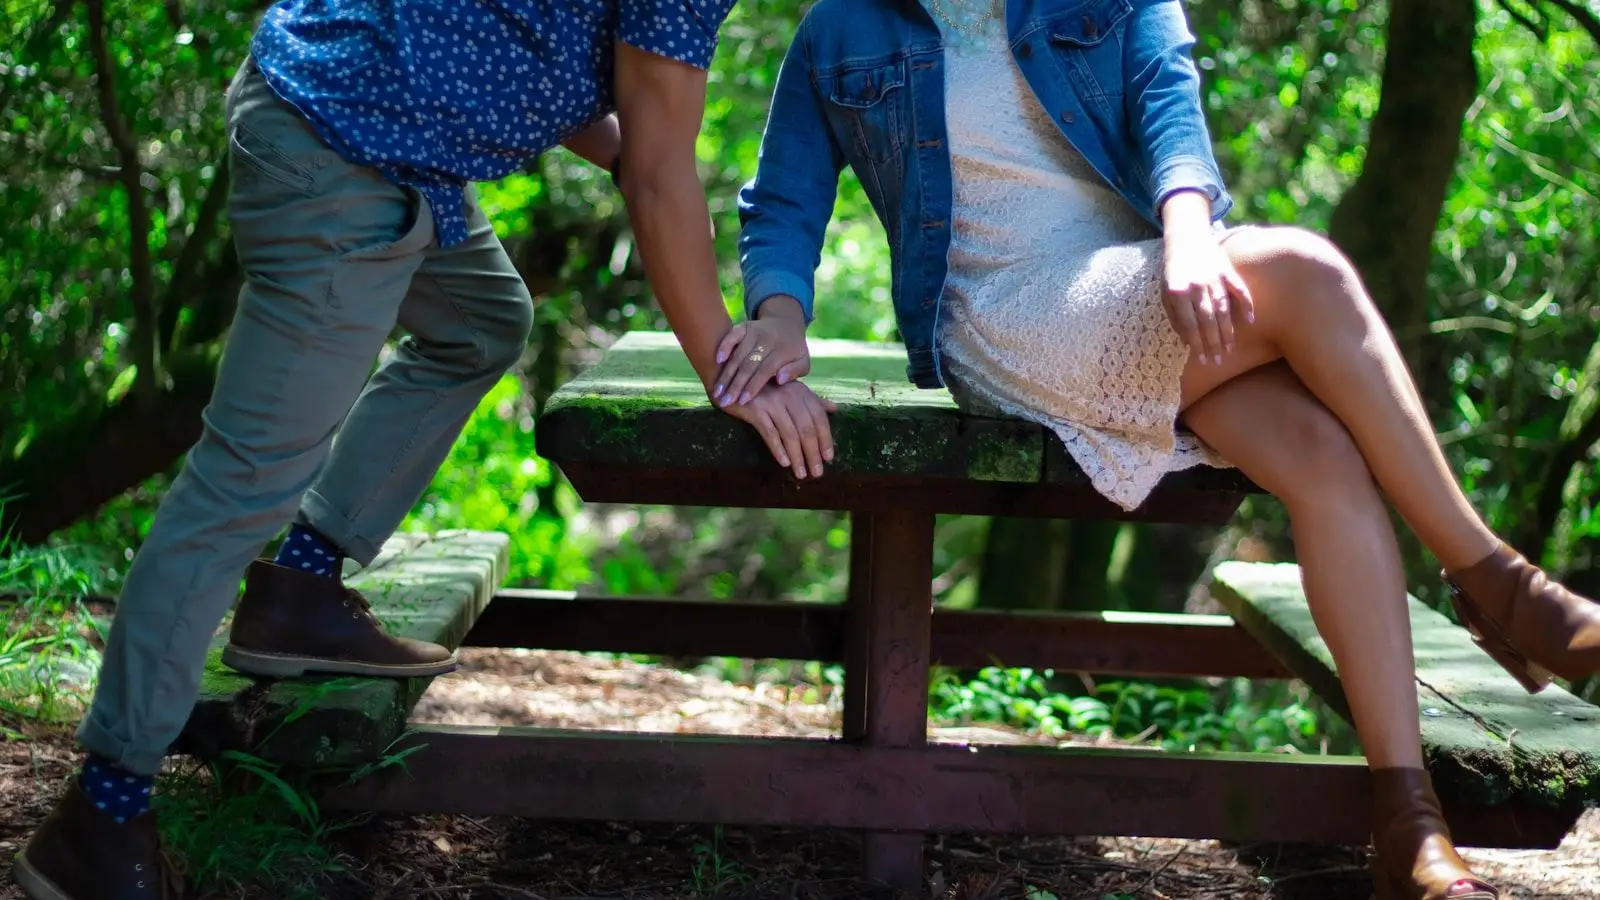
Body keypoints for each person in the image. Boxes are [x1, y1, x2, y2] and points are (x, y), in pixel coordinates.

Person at [726, 1, 1600, 898]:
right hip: (1000, 316)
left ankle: (1409, 828)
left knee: (1319, 452)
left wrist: (1188, 229)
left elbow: (1165, 96)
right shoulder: (842, 27)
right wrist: (780, 320)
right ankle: (1501, 587)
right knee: (1307, 270)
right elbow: (782, 206)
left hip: (1150, 276)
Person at [13, 2, 839, 898]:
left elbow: (530, 50)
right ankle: (98, 815)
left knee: (482, 321)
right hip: (342, 151)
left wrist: (647, 151)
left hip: (368, 124)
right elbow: (654, 179)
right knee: (240, 484)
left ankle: (299, 585)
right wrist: (736, 372)